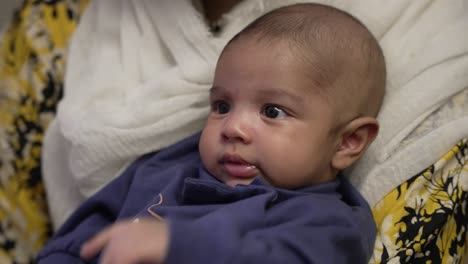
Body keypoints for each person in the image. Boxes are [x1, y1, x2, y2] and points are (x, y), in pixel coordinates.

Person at [37, 3, 386, 263]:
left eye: (272, 112)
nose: (233, 127)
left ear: (347, 142)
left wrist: (176, 245)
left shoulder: (325, 221)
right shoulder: (168, 165)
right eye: (222, 106)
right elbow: (90, 226)